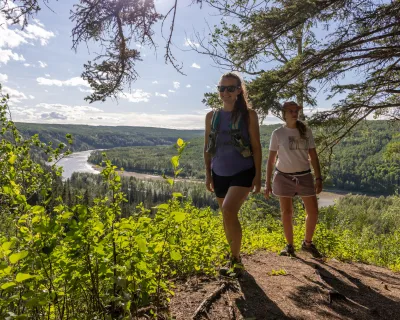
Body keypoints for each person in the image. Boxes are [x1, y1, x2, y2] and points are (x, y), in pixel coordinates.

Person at [204, 72, 262, 276]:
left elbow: (256, 145)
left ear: (239, 90)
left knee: (228, 210)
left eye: (230, 88)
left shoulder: (249, 115)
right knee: (227, 216)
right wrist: (208, 175)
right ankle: (233, 256)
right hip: (219, 172)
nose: (225, 92)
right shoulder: (212, 117)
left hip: (243, 170)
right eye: (222, 88)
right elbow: (207, 147)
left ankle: (236, 261)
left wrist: (258, 175)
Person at [264, 101, 323, 258]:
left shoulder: (306, 131)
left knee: (313, 212)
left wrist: (318, 177)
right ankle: (290, 246)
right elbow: (270, 160)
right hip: (283, 176)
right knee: (287, 212)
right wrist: (267, 183)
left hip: (304, 176)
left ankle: (307, 244)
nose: (294, 113)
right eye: (290, 110)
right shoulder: (278, 133)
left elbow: (313, 156)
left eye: (296, 110)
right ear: (284, 114)